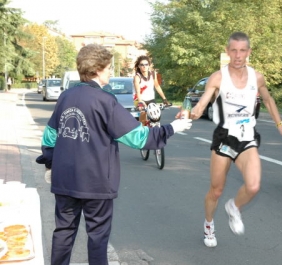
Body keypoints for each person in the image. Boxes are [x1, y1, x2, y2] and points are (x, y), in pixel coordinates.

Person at [36, 44, 192, 265]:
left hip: (65, 180)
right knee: (97, 237)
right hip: (96, 182)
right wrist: (173, 127)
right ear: (98, 69)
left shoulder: (66, 97)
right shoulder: (105, 101)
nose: (110, 71)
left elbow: (49, 137)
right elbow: (138, 138)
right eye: (109, 67)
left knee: (63, 232)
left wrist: (51, 164)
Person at [180, 32, 282, 247]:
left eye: (242, 50)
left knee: (253, 186)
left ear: (249, 52)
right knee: (216, 190)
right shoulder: (218, 77)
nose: (238, 55)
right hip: (224, 136)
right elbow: (203, 102)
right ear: (227, 51)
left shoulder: (256, 77)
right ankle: (208, 224)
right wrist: (192, 112)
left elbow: (269, 100)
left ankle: (234, 207)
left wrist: (281, 125)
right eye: (233, 50)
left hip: (247, 136)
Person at [133, 55, 169, 124]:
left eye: (146, 64)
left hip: (151, 99)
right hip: (139, 99)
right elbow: (138, 91)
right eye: (142, 65)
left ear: (149, 65)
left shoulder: (153, 74)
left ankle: (156, 129)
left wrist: (164, 99)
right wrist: (140, 103)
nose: (144, 66)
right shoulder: (137, 77)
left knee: (156, 115)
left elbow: (157, 86)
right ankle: (142, 129)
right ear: (139, 66)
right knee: (144, 113)